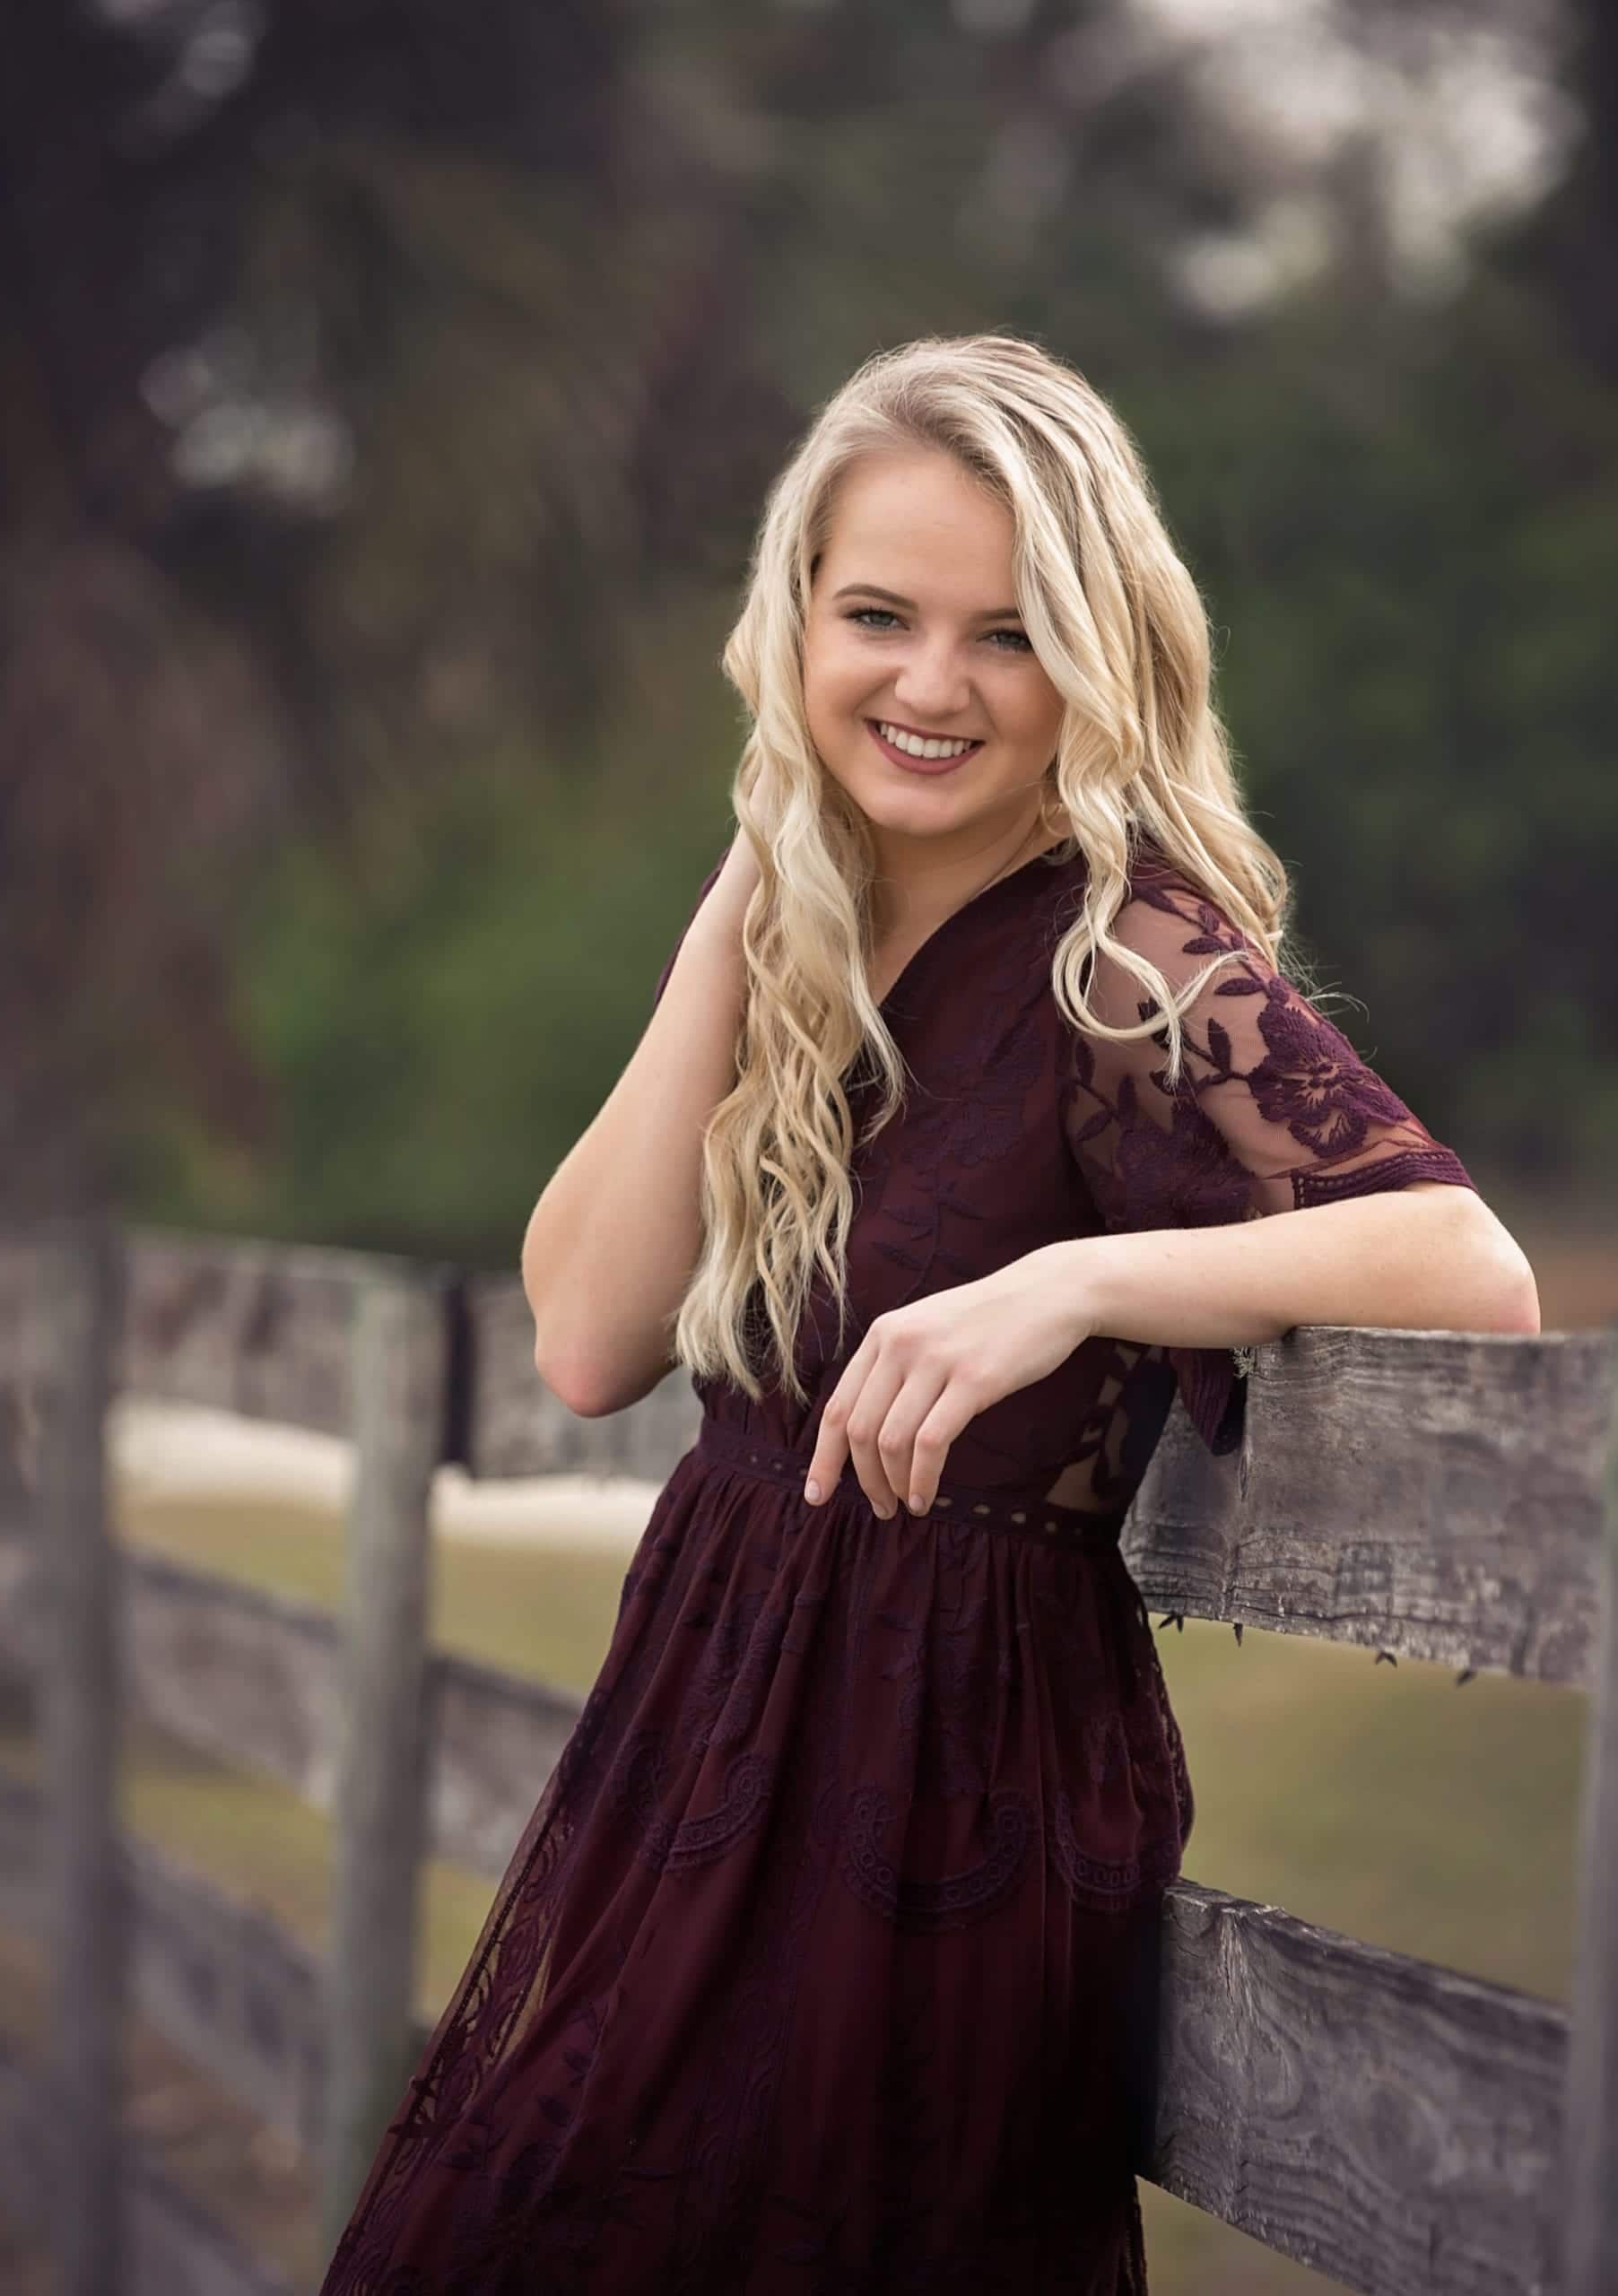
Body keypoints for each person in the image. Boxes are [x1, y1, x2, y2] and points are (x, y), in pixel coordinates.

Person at [318, 333, 1539, 2294]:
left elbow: (1464, 1265)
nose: (930, 684)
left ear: (1092, 657)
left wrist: (1069, 1280)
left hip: (927, 1785)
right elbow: (586, 1330)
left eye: (1005, 633)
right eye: (874, 616)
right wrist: (753, 874)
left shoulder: (1123, 947)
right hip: (706, 1736)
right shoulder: (804, 926)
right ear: (788, 620)